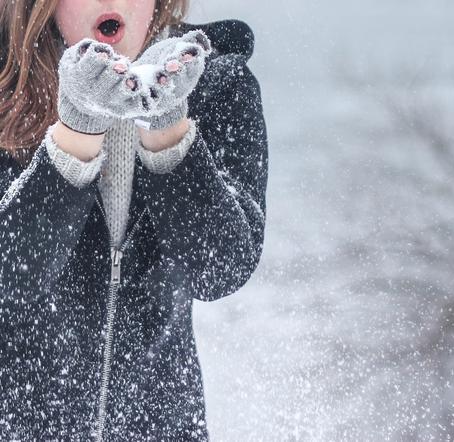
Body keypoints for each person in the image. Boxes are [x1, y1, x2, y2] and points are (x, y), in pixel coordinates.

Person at [0, 0, 268, 440]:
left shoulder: (217, 83)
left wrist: (168, 131)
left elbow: (222, 268)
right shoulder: (6, 83)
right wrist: (77, 133)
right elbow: (10, 276)